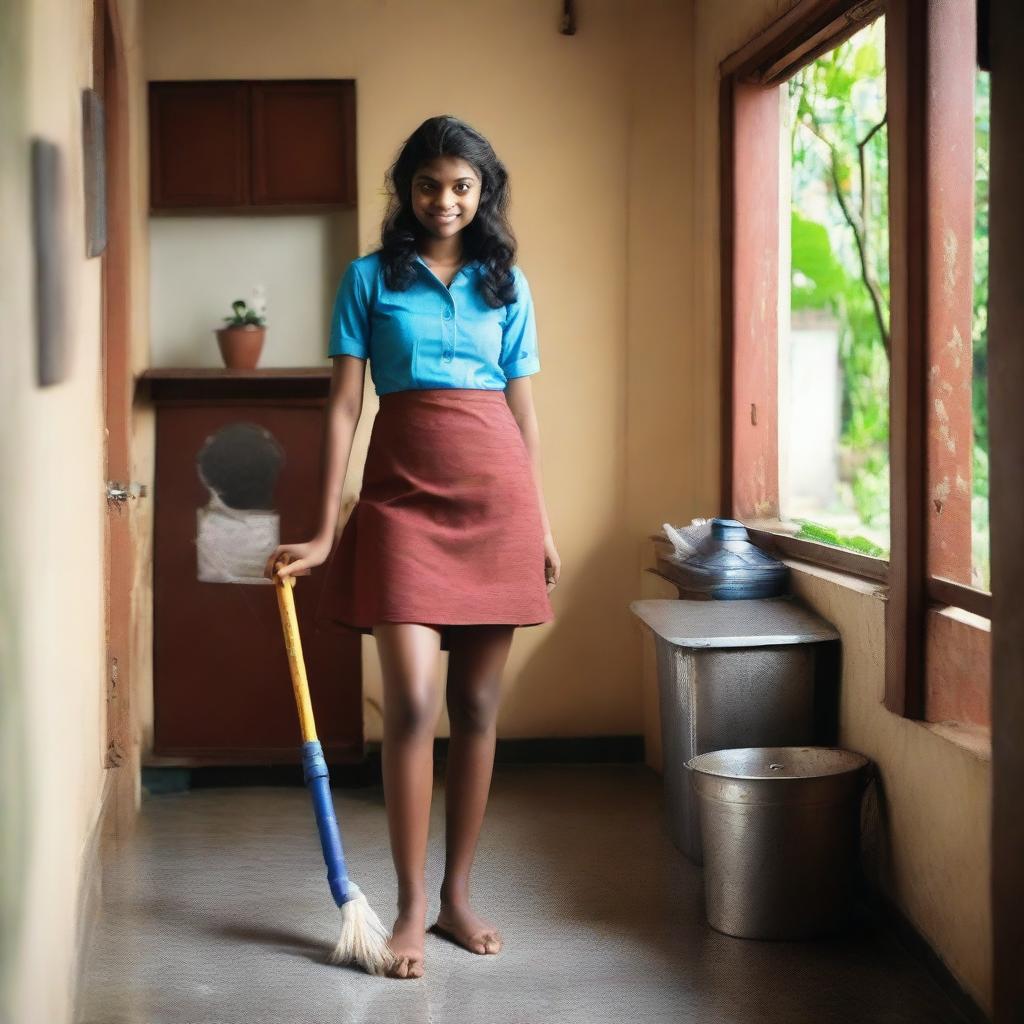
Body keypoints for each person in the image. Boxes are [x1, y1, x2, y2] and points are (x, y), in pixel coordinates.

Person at [264, 114, 560, 981]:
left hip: (496, 501)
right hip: (398, 507)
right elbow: (345, 410)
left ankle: (458, 895)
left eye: (462, 186)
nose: (445, 200)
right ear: (407, 190)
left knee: (474, 709)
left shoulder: (508, 284)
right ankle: (405, 905)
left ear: (483, 193)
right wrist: (327, 529)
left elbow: (524, 415)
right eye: (430, 184)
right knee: (412, 705)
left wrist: (537, 521)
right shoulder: (367, 280)